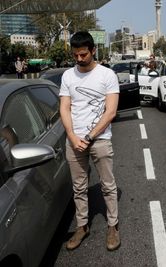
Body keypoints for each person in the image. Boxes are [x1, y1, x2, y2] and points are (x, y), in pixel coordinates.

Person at [59, 31, 121, 251]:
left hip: (100, 139)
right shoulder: (67, 76)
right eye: (75, 55)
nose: (79, 59)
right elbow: (64, 108)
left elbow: (111, 111)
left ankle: (113, 226)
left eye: (83, 54)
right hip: (74, 141)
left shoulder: (107, 75)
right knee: (79, 187)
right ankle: (82, 226)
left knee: (108, 186)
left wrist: (88, 136)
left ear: (93, 50)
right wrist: (73, 137)